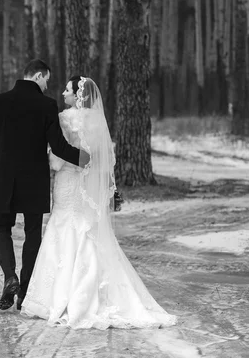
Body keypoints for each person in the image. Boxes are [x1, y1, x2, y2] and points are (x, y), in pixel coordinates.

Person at [20, 76, 177, 329]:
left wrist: (52, 160)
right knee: (86, 231)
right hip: (87, 188)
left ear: (77, 95)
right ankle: (93, 291)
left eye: (68, 90)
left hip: (68, 181)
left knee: (62, 228)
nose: (63, 93)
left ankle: (55, 298)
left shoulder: (66, 119)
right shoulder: (98, 122)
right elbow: (104, 160)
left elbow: (59, 157)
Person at [0, 60, 90, 311]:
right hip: (35, 178)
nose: (47, 85)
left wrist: (7, 157)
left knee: (2, 228)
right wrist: (87, 160)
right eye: (46, 80)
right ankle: (26, 290)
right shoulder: (47, 105)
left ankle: (10, 277)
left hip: (6, 177)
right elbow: (60, 147)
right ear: (38, 76)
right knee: (32, 232)